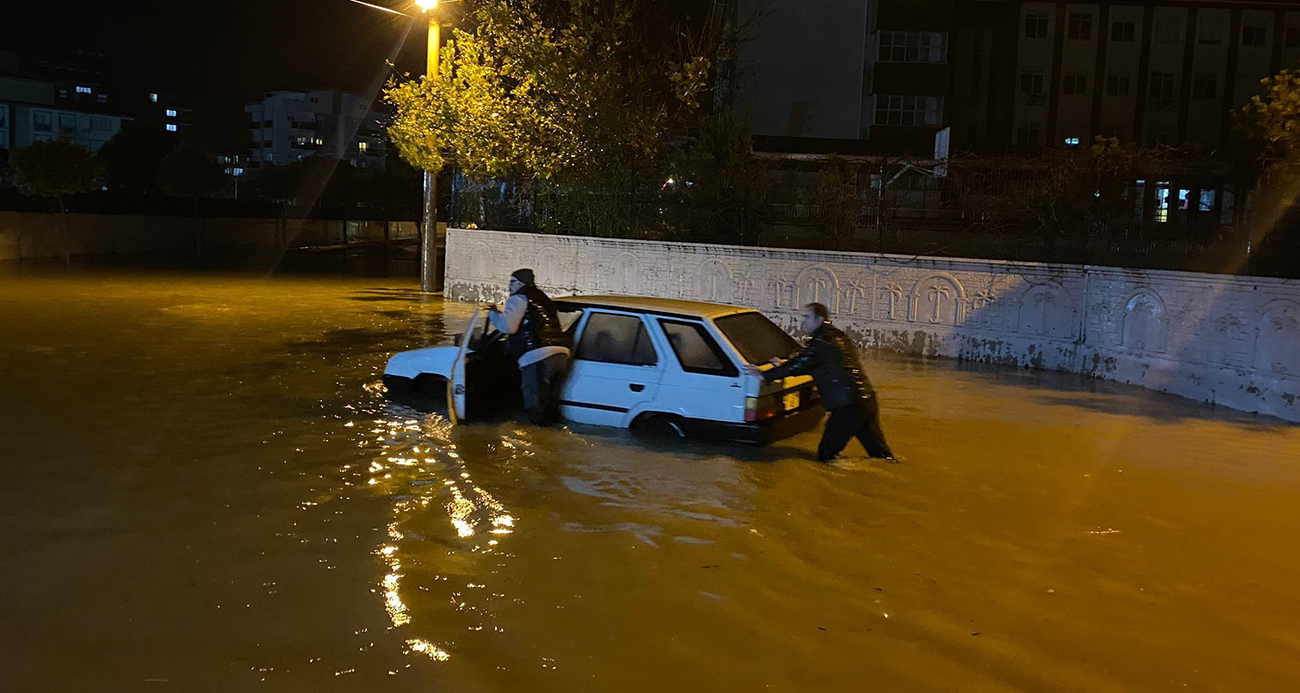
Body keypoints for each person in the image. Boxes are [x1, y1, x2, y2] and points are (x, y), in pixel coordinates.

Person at [744, 303, 896, 463]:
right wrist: (785, 363)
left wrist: (764, 375)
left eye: (808, 317)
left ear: (820, 319)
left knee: (826, 455)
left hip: (848, 406)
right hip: (866, 401)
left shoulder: (822, 343)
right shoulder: (837, 337)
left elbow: (803, 363)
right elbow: (815, 363)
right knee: (882, 456)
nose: (804, 321)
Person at [487, 269, 571, 425]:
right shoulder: (543, 298)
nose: (509, 286)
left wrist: (493, 314)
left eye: (512, 282)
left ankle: (538, 440)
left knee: (534, 407)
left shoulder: (519, 298)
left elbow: (508, 327)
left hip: (537, 355)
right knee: (550, 405)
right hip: (561, 354)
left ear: (521, 283)